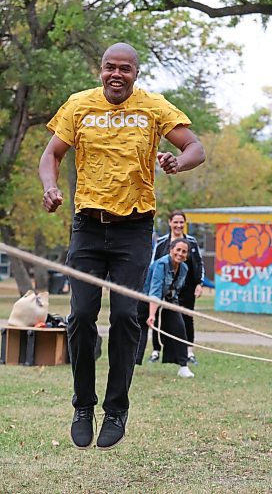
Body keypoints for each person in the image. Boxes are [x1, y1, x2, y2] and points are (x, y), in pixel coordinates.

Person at [38, 42, 205, 450]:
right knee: (80, 316)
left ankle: (116, 410)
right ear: (100, 69)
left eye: (125, 69)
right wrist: (51, 187)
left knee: (128, 316)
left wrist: (176, 163)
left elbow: (194, 148)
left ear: (136, 73)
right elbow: (51, 155)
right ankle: (83, 405)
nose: (117, 74)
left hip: (134, 228)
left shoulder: (154, 107)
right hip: (88, 228)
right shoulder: (79, 106)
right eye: (110, 67)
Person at [148, 210, 204, 365]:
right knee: (157, 315)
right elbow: (154, 265)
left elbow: (199, 264)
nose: (179, 225)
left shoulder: (191, 242)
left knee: (186, 317)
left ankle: (188, 352)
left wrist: (199, 283)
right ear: (170, 222)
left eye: (181, 222)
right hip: (163, 286)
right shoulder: (162, 243)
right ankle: (156, 350)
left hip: (185, 287)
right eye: (176, 222)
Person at [136, 238, 194, 378]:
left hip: (168, 300)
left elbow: (174, 290)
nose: (180, 254)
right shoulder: (161, 264)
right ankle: (131, 363)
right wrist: (152, 315)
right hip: (144, 298)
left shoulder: (184, 268)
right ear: (171, 250)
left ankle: (183, 366)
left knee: (179, 327)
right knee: (138, 330)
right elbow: (154, 291)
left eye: (184, 251)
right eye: (178, 250)